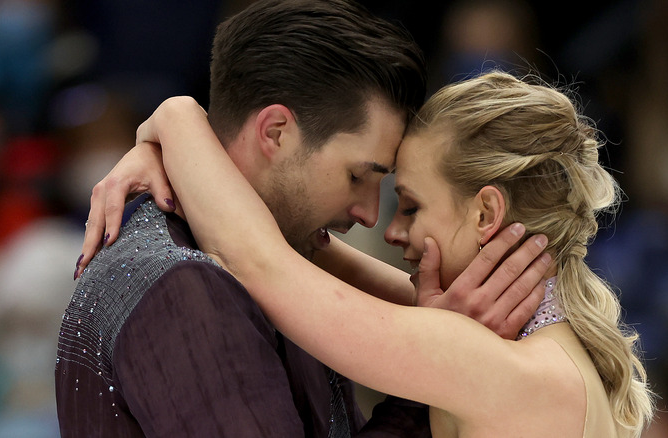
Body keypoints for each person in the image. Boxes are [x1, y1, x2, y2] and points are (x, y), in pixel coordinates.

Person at [57, 1, 548, 437]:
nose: (371, 214)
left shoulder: (291, 259)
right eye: (359, 175)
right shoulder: (184, 285)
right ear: (275, 132)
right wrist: (436, 371)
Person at [92, 70, 656, 436]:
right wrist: (177, 166)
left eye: (409, 206)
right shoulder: (529, 342)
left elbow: (259, 260)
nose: (389, 231)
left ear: (486, 213)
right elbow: (305, 244)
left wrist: (175, 117)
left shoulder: (483, 357)